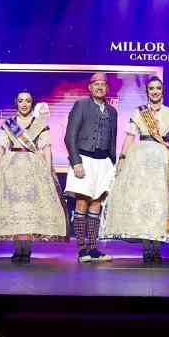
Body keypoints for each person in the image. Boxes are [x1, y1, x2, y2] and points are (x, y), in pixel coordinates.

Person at [101, 76, 169, 264]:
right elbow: (130, 137)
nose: (155, 91)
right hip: (141, 159)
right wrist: (122, 158)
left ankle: (157, 247)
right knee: (143, 200)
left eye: (158, 88)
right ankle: (147, 247)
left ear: (163, 91)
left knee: (160, 201)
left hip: (163, 159)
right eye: (151, 88)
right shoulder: (139, 113)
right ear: (147, 92)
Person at [0, 90, 68, 263]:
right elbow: (1, 148)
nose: (24, 104)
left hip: (33, 168)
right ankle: (17, 248)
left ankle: (27, 249)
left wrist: (48, 170)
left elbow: (46, 149)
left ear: (32, 103)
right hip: (12, 168)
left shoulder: (40, 124)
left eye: (28, 101)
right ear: (16, 102)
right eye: (21, 100)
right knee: (16, 210)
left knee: (30, 209)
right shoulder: (9, 124)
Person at [64, 72, 119, 263]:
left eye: (103, 84)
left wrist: (113, 164)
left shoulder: (112, 111)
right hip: (83, 159)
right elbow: (70, 136)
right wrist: (76, 161)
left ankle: (93, 248)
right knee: (82, 202)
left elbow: (112, 140)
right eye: (96, 84)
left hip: (104, 162)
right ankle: (82, 250)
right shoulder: (81, 105)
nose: (100, 87)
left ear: (107, 88)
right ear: (90, 87)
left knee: (96, 204)